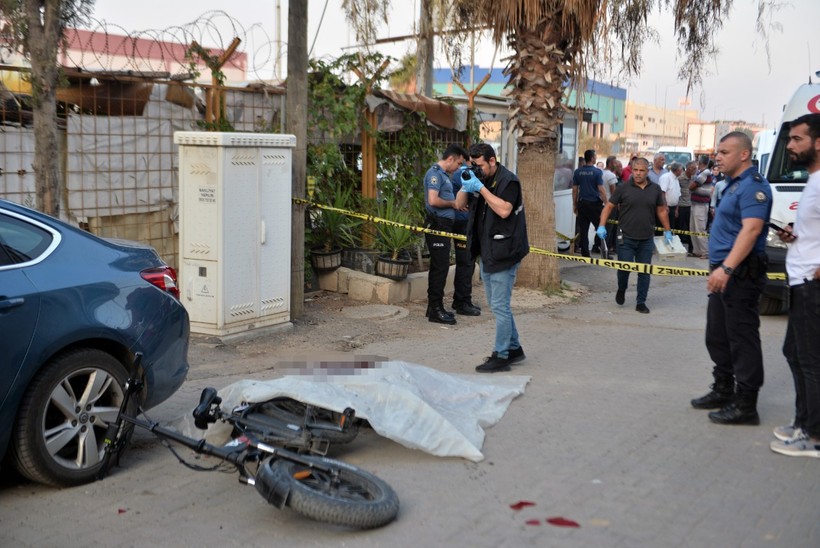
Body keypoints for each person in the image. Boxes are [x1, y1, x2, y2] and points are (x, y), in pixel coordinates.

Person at [690, 132, 772, 425]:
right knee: (718, 334)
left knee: (742, 337)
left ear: (744, 155)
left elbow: (751, 230)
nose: (717, 157)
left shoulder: (753, 187)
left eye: (724, 152)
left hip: (739, 272)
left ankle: (746, 404)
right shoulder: (732, 186)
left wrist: (726, 269)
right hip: (724, 269)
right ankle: (723, 387)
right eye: (717, 152)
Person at [769, 113, 820, 458]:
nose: (790, 146)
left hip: (811, 286)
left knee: (811, 360)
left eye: (797, 139)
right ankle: (804, 423)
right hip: (799, 278)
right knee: (794, 353)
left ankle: (814, 437)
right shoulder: (812, 182)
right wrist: (793, 237)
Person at [455, 143, 529, 373]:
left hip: (505, 252)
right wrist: (467, 184)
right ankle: (515, 347)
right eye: (472, 165)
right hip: (487, 251)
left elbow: (505, 210)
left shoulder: (509, 181)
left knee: (499, 306)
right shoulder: (480, 179)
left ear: (492, 161)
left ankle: (502, 355)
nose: (476, 169)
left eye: (479, 166)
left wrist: (481, 188)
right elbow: (459, 205)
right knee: (498, 305)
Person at [596, 157, 672, 313]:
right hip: (626, 237)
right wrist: (602, 225)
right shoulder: (623, 188)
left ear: (647, 171)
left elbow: (661, 210)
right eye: (635, 170)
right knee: (624, 269)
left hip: (646, 238)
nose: (637, 174)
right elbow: (609, 206)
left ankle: (641, 302)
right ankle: (622, 288)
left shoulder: (655, 189)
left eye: (641, 170)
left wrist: (668, 230)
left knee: (644, 272)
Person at [423, 144, 469, 325]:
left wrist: (456, 205)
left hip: (444, 225)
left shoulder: (443, 176)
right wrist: (452, 204)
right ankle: (436, 309)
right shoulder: (435, 174)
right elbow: (433, 200)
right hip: (437, 224)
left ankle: (433, 307)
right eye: (458, 163)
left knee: (440, 266)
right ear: (450, 159)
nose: (458, 167)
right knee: (440, 267)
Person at [449, 154, 481, 318]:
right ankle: (462, 302)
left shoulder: (468, 172)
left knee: (468, 263)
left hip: (467, 223)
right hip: (462, 224)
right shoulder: (464, 173)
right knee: (466, 263)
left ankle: (462, 300)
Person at [571, 149, 606, 257]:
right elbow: (601, 189)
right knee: (601, 227)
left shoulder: (578, 172)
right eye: (595, 157)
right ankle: (604, 251)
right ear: (592, 158)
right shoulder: (597, 172)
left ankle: (585, 253)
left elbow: (575, 190)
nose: (596, 159)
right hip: (594, 204)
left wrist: (575, 204)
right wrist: (607, 203)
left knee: (584, 229)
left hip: (582, 204)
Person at [689, 155, 713, 258]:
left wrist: (693, 188)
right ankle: (697, 250)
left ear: (701, 163)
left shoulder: (705, 173)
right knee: (693, 228)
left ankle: (705, 251)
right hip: (695, 203)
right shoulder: (700, 173)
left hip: (701, 205)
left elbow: (692, 186)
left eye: (698, 162)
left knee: (700, 228)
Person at [602, 155, 620, 255]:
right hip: (610, 204)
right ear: (610, 164)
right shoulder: (611, 176)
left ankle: (597, 246)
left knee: (601, 225)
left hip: (600, 203)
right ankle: (606, 248)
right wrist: (617, 205)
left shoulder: (600, 173)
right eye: (615, 163)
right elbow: (614, 193)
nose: (616, 165)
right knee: (609, 227)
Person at [677, 161, 696, 253]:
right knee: (680, 227)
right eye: (693, 168)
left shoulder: (695, 178)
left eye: (695, 168)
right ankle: (678, 247)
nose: (694, 170)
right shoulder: (680, 178)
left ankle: (691, 248)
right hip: (681, 205)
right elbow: (676, 192)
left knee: (690, 228)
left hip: (691, 205)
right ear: (688, 168)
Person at [659, 162, 683, 227]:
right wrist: (665, 206)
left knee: (671, 227)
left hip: (673, 208)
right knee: (664, 228)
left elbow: (678, 195)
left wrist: (676, 209)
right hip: (665, 207)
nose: (682, 172)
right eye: (681, 170)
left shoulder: (676, 179)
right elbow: (662, 193)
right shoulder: (666, 177)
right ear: (677, 170)